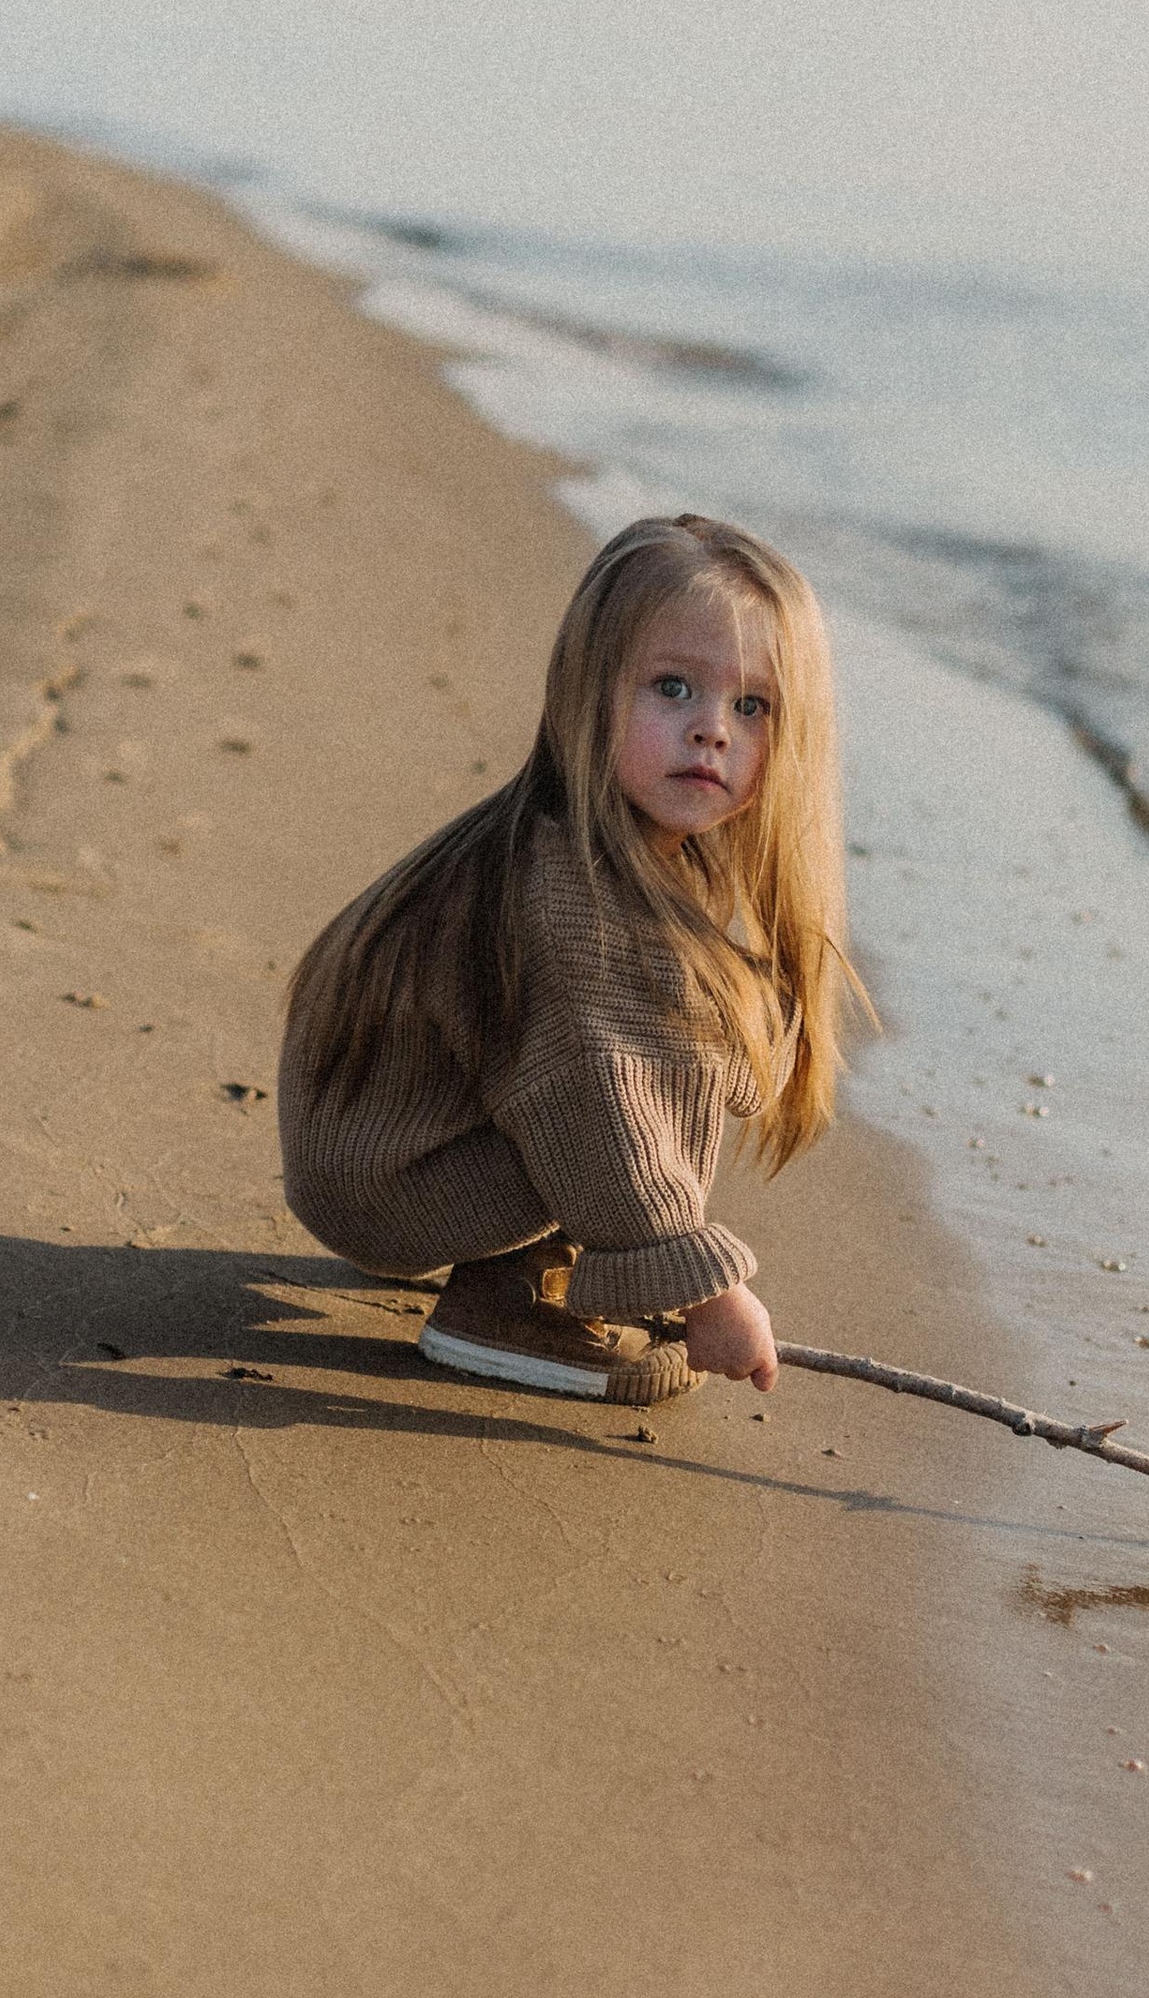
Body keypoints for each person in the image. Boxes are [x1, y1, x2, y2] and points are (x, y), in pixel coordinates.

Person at [278, 511, 866, 1406]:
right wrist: (706, 1291)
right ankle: (496, 1302)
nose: (711, 729)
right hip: (390, 1178)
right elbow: (603, 1105)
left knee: (686, 1021)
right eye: (672, 688)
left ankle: (547, 1253)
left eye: (751, 707)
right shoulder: (571, 897)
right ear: (588, 694)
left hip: (396, 1146)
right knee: (650, 1053)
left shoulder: (636, 853)